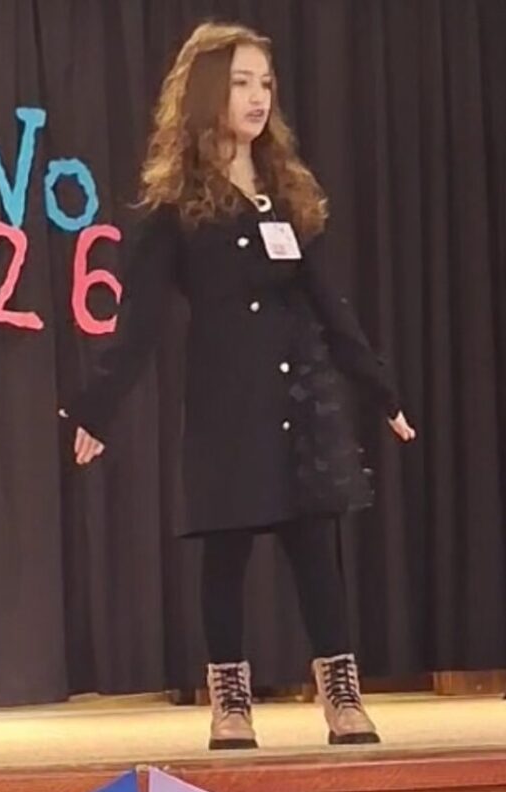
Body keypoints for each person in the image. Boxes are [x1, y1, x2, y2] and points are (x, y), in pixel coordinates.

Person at [60, 21, 416, 751]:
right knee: (224, 553)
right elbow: (139, 322)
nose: (257, 98)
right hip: (225, 404)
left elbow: (328, 303)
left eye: (265, 84)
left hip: (297, 402)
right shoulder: (176, 205)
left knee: (315, 549)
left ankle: (341, 697)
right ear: (205, 94)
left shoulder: (287, 193)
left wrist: (379, 389)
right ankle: (230, 704)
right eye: (240, 83)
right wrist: (97, 406)